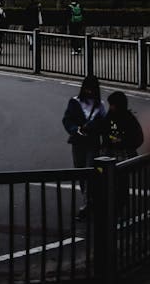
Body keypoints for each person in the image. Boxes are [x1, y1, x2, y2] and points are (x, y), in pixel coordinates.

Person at [62, 74, 106, 219]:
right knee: (80, 171)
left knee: (89, 172)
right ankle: (89, 201)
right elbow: (67, 120)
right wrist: (76, 130)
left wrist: (94, 128)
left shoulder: (101, 106)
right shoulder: (74, 102)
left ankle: (87, 204)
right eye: (87, 88)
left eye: (92, 89)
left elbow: (104, 125)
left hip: (93, 143)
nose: (89, 91)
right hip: (78, 142)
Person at [101, 91, 144, 161]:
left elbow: (138, 138)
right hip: (110, 154)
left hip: (126, 154)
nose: (111, 107)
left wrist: (122, 142)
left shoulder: (129, 120)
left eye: (112, 105)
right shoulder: (109, 117)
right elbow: (104, 132)